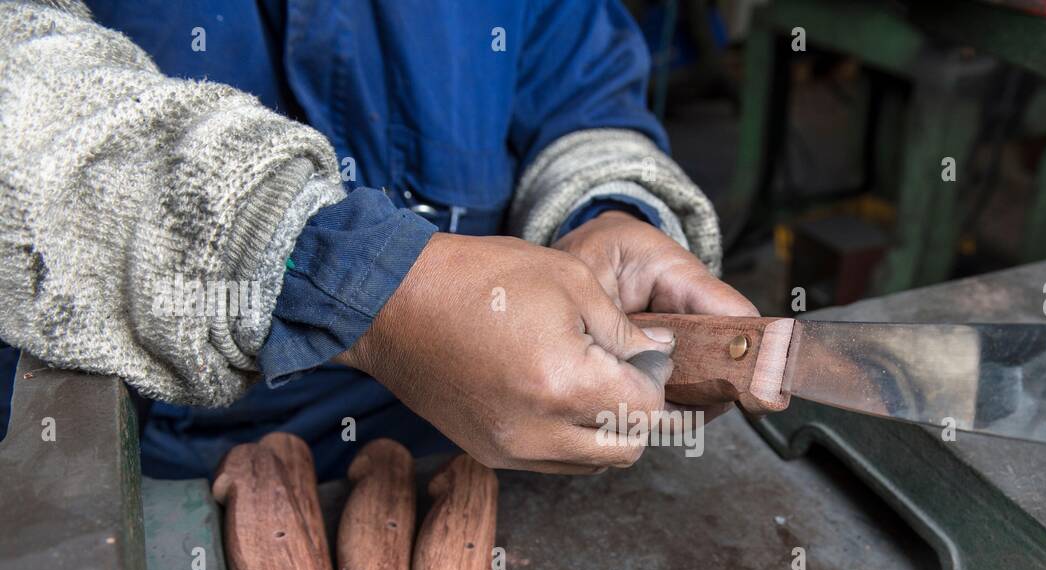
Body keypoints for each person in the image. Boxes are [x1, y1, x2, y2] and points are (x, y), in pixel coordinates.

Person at [0, 0, 756, 479]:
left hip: (478, 455)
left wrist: (608, 208)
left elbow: (578, 88)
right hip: (163, 471)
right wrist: (366, 285)